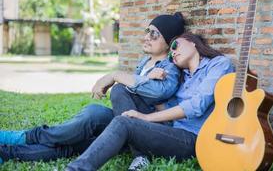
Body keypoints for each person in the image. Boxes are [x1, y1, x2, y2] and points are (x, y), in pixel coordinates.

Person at [0, 12, 186, 169]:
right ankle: (21, 139)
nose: (147, 37)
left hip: (146, 128)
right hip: (123, 119)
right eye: (148, 31)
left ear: (169, 42)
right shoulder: (145, 63)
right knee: (92, 113)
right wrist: (143, 78)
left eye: (154, 34)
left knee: (76, 144)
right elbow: (137, 90)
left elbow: (160, 92)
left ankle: (9, 150)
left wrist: (117, 76)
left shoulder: (169, 67)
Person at [65, 33, 235, 171]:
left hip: (192, 138)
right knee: (119, 90)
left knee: (123, 123)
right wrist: (145, 80)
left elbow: (197, 106)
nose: (173, 53)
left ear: (193, 42)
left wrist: (144, 118)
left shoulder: (219, 64)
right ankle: (138, 155)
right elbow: (166, 105)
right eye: (170, 53)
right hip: (170, 128)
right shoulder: (181, 77)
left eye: (176, 46)